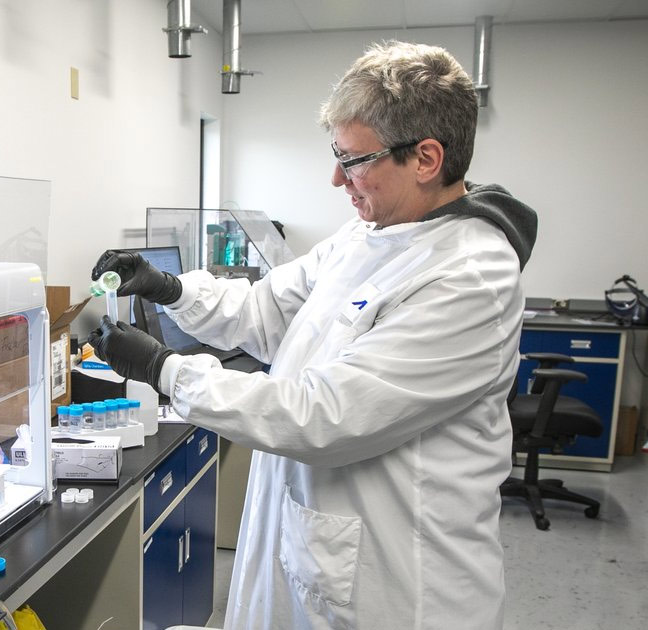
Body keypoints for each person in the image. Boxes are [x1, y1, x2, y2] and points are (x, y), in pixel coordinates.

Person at [89, 41, 537, 630]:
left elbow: (323, 416)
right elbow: (264, 313)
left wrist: (165, 371)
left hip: (400, 583)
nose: (336, 178)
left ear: (426, 158)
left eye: (354, 160)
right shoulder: (368, 235)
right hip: (318, 550)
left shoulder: (469, 279)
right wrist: (168, 288)